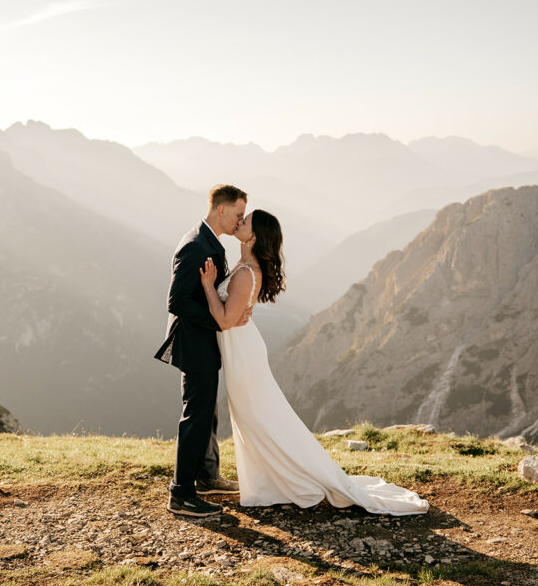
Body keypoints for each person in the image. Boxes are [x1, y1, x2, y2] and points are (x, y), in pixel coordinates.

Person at [198, 209, 429, 515]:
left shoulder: (245, 272)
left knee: (258, 419)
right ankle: (270, 480)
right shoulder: (245, 263)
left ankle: (285, 480)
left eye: (246, 222)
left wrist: (207, 288)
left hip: (242, 354)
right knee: (257, 419)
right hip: (242, 349)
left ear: (254, 236)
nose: (239, 223)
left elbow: (226, 319)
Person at [155, 184, 253, 517]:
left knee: (206, 411)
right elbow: (177, 301)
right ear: (221, 210)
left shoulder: (209, 241)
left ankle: (206, 475)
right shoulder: (196, 247)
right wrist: (221, 321)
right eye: (238, 214)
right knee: (195, 415)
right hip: (194, 343)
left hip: (204, 341)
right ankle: (181, 493)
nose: (240, 221)